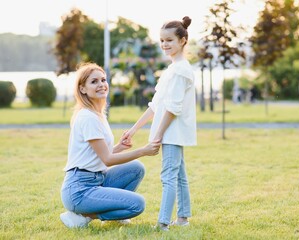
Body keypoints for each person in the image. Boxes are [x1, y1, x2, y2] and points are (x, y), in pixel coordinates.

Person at [60, 62, 161, 228]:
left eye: (103, 80)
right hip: (79, 190)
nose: (101, 84)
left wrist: (119, 147)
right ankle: (83, 217)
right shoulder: (87, 117)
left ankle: (108, 211)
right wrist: (143, 151)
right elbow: (107, 159)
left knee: (136, 168)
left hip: (97, 180)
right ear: (82, 89)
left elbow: (98, 155)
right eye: (94, 82)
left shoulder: (97, 114)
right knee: (137, 205)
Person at [122, 16, 197, 231]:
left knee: (169, 177)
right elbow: (156, 105)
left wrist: (158, 135)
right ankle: (182, 219)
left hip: (172, 134)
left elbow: (173, 108)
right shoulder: (172, 69)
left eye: (169, 40)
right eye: (162, 40)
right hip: (170, 133)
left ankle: (163, 223)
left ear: (182, 40)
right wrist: (134, 130)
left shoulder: (181, 70)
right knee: (179, 175)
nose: (164, 44)